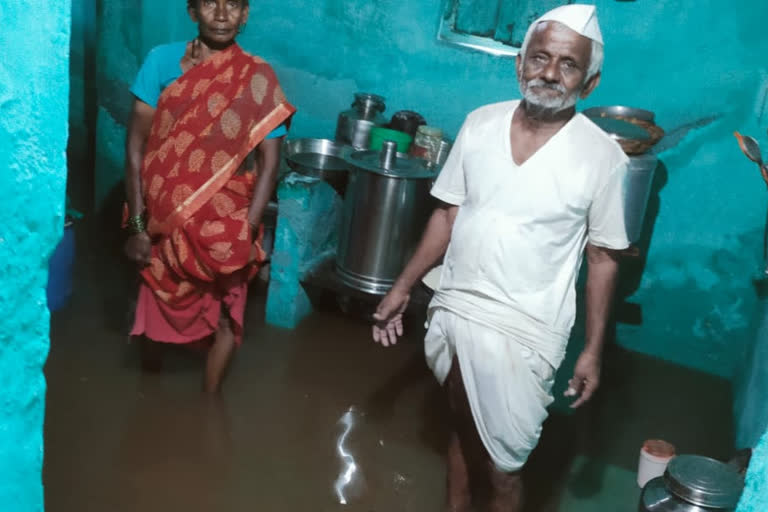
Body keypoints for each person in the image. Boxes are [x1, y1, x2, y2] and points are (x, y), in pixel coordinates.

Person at [371, 5, 629, 511]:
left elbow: (602, 259)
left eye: (568, 64)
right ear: (519, 65)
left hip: (527, 331)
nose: (550, 73)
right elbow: (446, 217)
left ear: (590, 82)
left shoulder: (604, 158)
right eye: (539, 58)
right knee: (465, 429)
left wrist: (593, 350)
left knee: (504, 466)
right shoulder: (480, 124)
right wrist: (402, 286)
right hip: (457, 306)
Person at [123, 0, 295, 393]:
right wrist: (136, 226)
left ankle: (209, 405)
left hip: (224, 225)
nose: (221, 14)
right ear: (192, 11)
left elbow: (270, 163)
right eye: (210, 4)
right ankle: (148, 399)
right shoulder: (161, 62)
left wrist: (246, 229)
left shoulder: (258, 78)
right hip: (161, 221)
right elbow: (135, 147)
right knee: (154, 310)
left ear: (245, 13)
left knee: (223, 319)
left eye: (232, 5)